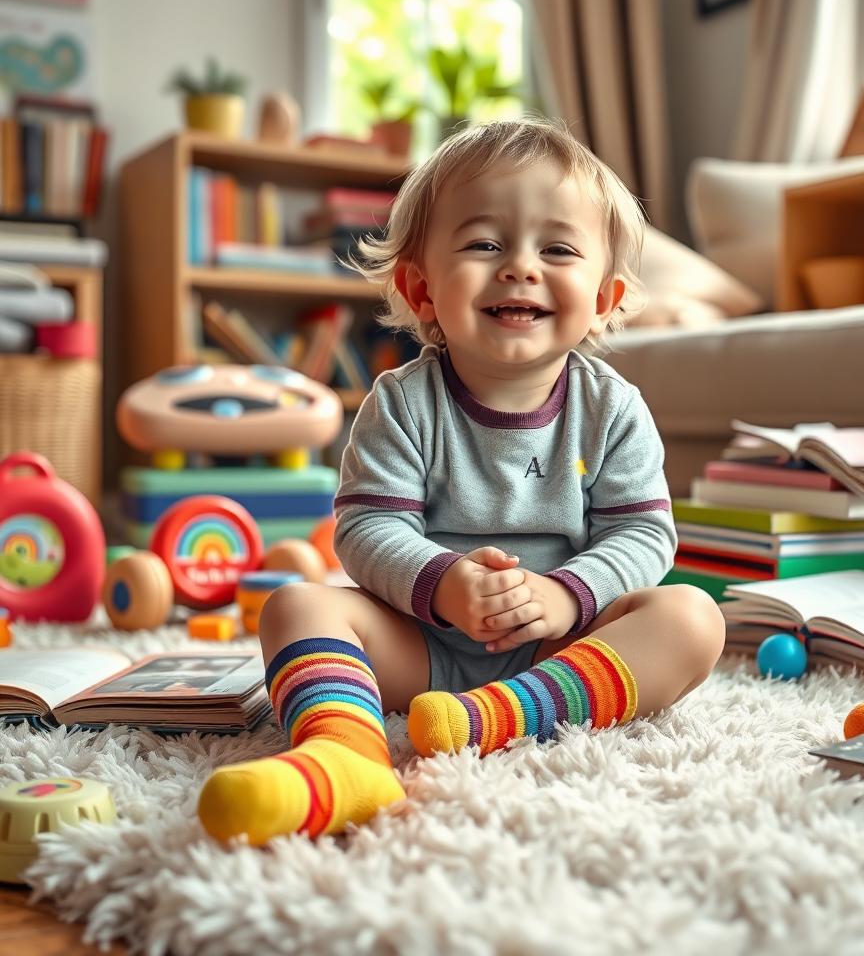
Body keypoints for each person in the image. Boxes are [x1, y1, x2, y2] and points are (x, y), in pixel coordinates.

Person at [197, 116, 725, 846]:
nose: (520, 267)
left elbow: (642, 533)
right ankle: (346, 752)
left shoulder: (611, 408)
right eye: (484, 244)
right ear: (420, 287)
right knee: (293, 606)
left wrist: (565, 595)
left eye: (559, 249)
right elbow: (366, 530)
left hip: (559, 650)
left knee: (693, 619)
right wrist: (443, 582)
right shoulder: (402, 401)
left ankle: (499, 716)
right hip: (421, 644)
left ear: (604, 298)